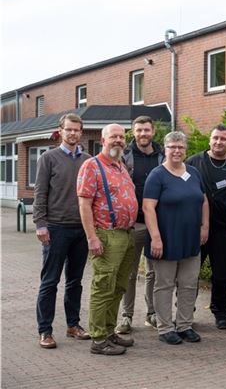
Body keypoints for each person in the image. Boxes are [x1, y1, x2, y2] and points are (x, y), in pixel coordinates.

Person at [143, 131, 209, 345]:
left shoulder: (193, 172)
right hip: (166, 239)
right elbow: (148, 207)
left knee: (189, 284)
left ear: (185, 149)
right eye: (172, 147)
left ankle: (184, 325)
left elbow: (204, 200)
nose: (177, 151)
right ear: (166, 149)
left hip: (191, 239)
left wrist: (204, 226)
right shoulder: (157, 175)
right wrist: (155, 238)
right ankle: (165, 328)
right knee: (164, 285)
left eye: (180, 147)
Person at [77, 123, 138, 356]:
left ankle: (110, 331)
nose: (118, 140)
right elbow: (84, 203)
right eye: (113, 136)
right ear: (103, 140)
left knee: (118, 286)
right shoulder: (92, 166)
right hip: (106, 234)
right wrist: (92, 237)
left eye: (122, 137)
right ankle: (99, 339)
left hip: (126, 234)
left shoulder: (120, 165)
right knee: (103, 287)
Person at [34, 113, 92, 349]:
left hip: (81, 230)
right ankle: (45, 330)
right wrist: (40, 224)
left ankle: (73, 325)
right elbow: (40, 194)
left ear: (81, 132)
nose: (73, 133)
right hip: (56, 229)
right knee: (50, 281)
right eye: (69, 129)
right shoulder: (48, 158)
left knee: (75, 281)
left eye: (77, 130)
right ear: (60, 130)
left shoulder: (88, 160)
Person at [186, 124, 226, 330]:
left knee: (223, 274)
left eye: (223, 139)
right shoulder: (193, 163)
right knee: (189, 273)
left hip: (225, 229)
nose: (218, 142)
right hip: (196, 228)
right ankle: (185, 310)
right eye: (215, 138)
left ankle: (222, 312)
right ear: (210, 140)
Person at [115, 116, 163, 334]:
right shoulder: (124, 157)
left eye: (146, 130)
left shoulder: (162, 155)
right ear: (133, 133)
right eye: (139, 130)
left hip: (157, 224)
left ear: (153, 131)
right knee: (129, 272)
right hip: (133, 224)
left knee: (154, 272)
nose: (143, 134)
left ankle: (152, 313)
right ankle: (127, 316)